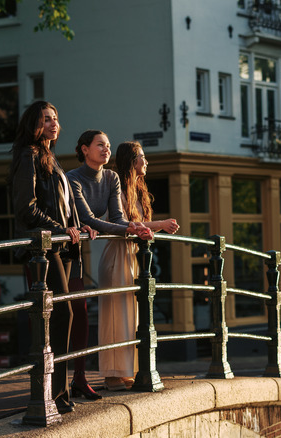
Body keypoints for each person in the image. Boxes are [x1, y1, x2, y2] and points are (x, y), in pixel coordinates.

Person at [7, 101, 96, 413]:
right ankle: (53, 393)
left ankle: (57, 392)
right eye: (46, 119)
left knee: (58, 317)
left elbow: (61, 202)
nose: (53, 123)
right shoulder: (27, 155)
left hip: (61, 244)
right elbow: (26, 208)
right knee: (60, 316)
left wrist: (77, 226)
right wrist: (61, 229)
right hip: (43, 248)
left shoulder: (49, 157)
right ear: (34, 124)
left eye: (56, 118)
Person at [65, 130, 153, 398]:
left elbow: (115, 216)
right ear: (84, 150)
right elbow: (89, 218)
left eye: (108, 145)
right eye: (99, 145)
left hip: (81, 250)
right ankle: (58, 383)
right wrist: (131, 229)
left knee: (81, 314)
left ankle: (80, 379)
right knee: (64, 315)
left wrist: (134, 227)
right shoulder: (72, 179)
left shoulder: (112, 177)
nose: (106, 149)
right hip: (62, 249)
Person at [98, 141, 179, 390]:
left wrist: (156, 225)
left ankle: (126, 370)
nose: (146, 162)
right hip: (117, 255)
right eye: (142, 157)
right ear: (132, 160)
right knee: (116, 314)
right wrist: (161, 223)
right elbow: (126, 222)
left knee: (131, 314)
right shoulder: (117, 187)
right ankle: (112, 375)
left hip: (132, 254)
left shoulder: (137, 190)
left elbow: (140, 223)